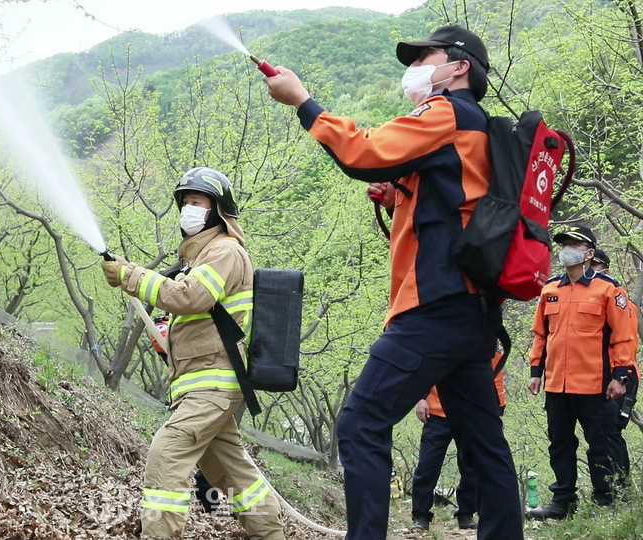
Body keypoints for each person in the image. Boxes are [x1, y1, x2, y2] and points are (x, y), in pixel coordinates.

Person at [264, 25, 523, 540]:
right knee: (483, 440)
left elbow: (365, 151)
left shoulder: (445, 112)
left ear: (458, 66)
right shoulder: (478, 126)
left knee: (361, 423)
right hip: (471, 312)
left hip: (435, 307)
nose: (416, 66)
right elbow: (456, 204)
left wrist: (304, 103)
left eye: (425, 55)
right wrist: (400, 195)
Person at [101, 167, 285, 540]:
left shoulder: (225, 251)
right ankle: (271, 534)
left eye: (196, 201)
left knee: (166, 455)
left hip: (212, 387)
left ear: (218, 209)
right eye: (184, 201)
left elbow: (188, 297)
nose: (188, 207)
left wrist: (131, 276)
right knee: (234, 475)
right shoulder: (201, 258)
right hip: (203, 385)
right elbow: (198, 312)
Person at [526, 226, 637, 520]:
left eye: (574, 244)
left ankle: (606, 502)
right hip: (556, 384)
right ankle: (562, 502)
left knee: (601, 444)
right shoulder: (550, 290)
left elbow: (623, 337)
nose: (566, 249)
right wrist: (536, 371)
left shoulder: (609, 289)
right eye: (563, 244)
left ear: (589, 253)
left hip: (596, 384)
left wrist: (620, 376)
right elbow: (541, 335)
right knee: (560, 443)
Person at [410, 351, 506, 532]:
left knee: (470, 467)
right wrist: (421, 398)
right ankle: (420, 517)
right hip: (436, 415)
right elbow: (425, 369)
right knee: (427, 466)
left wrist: (498, 413)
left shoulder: (489, 347)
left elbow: (496, 381)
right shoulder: (443, 339)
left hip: (470, 415)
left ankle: (466, 514)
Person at [589, 249, 640, 487]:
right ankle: (617, 488)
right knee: (605, 433)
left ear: (605, 269)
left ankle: (621, 488)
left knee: (611, 431)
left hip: (623, 375)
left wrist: (620, 376)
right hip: (605, 375)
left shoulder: (622, 303)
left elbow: (626, 343)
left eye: (595, 266)